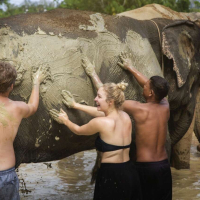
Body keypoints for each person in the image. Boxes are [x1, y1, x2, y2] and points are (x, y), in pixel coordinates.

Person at [66, 54, 172, 200]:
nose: (144, 84)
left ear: (151, 93)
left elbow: (110, 101)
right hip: (163, 165)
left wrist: (93, 74)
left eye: (146, 85)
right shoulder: (165, 105)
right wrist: (131, 68)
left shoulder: (138, 108)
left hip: (146, 168)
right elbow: (154, 90)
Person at [50, 81, 142, 200]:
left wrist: (66, 121)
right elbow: (101, 112)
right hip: (130, 172)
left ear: (110, 102)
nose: (95, 99)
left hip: (111, 175)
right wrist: (76, 105)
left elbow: (78, 130)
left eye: (99, 97)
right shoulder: (125, 116)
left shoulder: (100, 123)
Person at [0, 62, 48, 200]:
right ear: (12, 86)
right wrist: (36, 82)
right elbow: (33, 107)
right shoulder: (17, 108)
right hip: (5, 174)